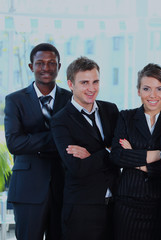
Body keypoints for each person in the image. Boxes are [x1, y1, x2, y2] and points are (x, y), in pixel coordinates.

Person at [4, 43, 72, 240]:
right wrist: (59, 139)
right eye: (40, 63)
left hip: (63, 186)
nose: (46, 68)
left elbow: (79, 138)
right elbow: (15, 143)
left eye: (52, 63)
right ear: (30, 67)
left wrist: (32, 141)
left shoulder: (71, 100)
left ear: (59, 67)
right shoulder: (14, 100)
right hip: (27, 188)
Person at [50, 56, 119, 239]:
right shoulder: (60, 120)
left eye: (95, 81)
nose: (91, 88)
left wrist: (95, 155)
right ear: (71, 84)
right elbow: (77, 168)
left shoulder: (111, 110)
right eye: (84, 83)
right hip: (82, 211)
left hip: (116, 206)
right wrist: (107, 151)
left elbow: (121, 152)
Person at [110, 63, 161, 240]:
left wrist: (135, 159)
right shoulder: (125, 117)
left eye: (159, 89)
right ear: (138, 90)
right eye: (147, 88)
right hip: (128, 203)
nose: (153, 95)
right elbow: (117, 156)